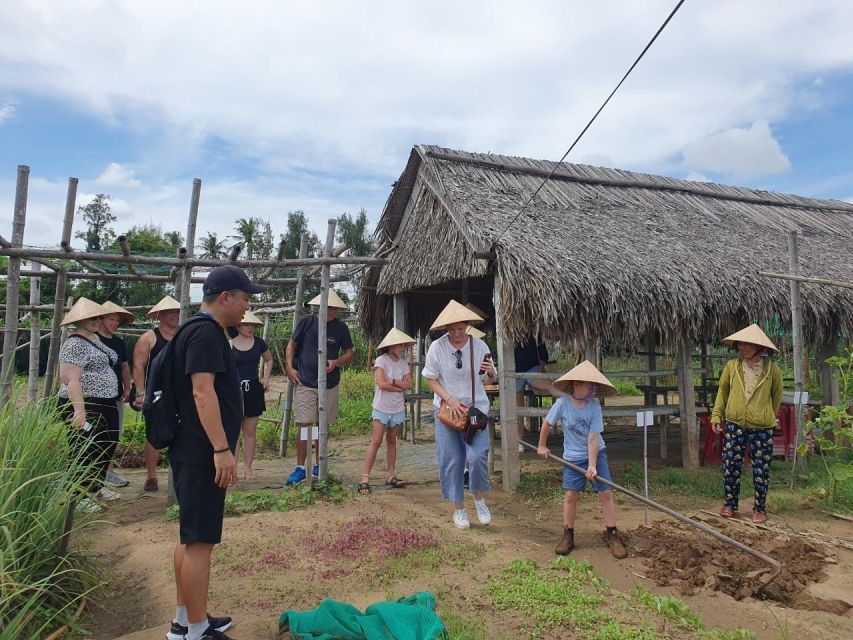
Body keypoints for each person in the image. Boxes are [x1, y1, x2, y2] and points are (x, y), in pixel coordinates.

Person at [165, 265, 264, 640]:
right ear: (225, 297)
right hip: (202, 451)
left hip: (191, 448)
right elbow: (202, 392)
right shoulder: (206, 334)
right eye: (244, 299)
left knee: (190, 538)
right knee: (200, 542)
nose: (246, 308)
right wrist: (222, 449)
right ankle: (196, 630)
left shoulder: (193, 330)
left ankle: (185, 619)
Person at [537, 360, 628, 559]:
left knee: (606, 493)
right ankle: (568, 534)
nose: (591, 390)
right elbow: (547, 424)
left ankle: (612, 533)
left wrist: (593, 466)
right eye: (588, 386)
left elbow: (593, 438)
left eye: (593, 386)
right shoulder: (562, 404)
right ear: (576, 385)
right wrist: (542, 445)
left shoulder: (594, 407)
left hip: (597, 454)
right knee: (571, 495)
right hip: (572, 457)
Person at [423, 300, 497, 530]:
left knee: (477, 457)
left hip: (474, 411)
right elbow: (431, 379)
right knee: (452, 460)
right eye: (452, 329)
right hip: (447, 411)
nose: (456, 334)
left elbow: (488, 380)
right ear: (446, 329)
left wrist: (492, 373)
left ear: (467, 326)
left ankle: (479, 499)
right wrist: (450, 399)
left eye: (460, 328)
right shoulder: (437, 347)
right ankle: (459, 509)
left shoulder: (480, 347)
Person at [711, 324, 783, 524]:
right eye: (740, 344)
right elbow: (722, 392)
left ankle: (759, 508)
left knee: (761, 467)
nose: (742, 347)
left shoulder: (772, 370)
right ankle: (729, 504)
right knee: (730, 465)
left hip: (761, 427)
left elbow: (776, 396)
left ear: (759, 347)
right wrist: (717, 415)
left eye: (746, 344)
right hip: (734, 424)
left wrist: (767, 414)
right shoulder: (732, 367)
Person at [57, 298, 121, 513]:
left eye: (98, 317)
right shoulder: (75, 342)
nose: (96, 321)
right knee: (84, 448)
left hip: (105, 401)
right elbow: (71, 379)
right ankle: (78, 494)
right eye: (92, 317)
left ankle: (95, 486)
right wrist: (79, 411)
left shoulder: (94, 338)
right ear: (80, 319)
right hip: (85, 402)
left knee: (107, 442)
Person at [284, 289, 354, 485]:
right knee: (306, 423)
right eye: (328, 307)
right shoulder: (306, 322)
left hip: (330, 384)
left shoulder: (341, 328)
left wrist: (337, 362)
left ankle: (318, 465)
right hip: (306, 382)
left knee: (321, 425)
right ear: (319, 306)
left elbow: (349, 352)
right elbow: (292, 345)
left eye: (334, 308)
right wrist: (290, 368)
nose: (331, 311)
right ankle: (300, 467)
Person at [132, 295, 181, 492]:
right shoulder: (149, 338)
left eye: (178, 312)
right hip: (156, 393)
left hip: (180, 393)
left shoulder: (184, 335)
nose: (175, 316)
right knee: (155, 434)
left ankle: (178, 475)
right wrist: (141, 393)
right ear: (160, 315)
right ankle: (151, 477)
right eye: (171, 313)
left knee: (181, 434)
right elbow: (138, 365)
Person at [359, 328, 415, 494]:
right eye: (399, 344)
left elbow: (409, 385)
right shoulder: (381, 361)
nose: (402, 346)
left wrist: (393, 381)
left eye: (403, 344)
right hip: (382, 407)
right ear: (390, 346)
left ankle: (391, 475)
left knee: (392, 440)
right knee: (376, 441)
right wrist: (399, 385)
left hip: (397, 408)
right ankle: (365, 478)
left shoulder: (404, 362)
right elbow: (381, 384)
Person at [230, 309, 272, 480]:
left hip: (253, 388)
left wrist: (266, 379)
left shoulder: (259, 343)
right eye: (246, 324)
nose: (250, 328)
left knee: (250, 431)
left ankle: (248, 468)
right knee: (233, 432)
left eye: (252, 325)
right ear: (238, 325)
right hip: (233, 390)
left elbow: (269, 360)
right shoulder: (229, 343)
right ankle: (232, 468)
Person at [98, 300, 134, 489]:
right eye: (111, 319)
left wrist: (127, 388)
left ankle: (108, 471)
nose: (114, 323)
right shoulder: (92, 339)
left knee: (113, 435)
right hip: (95, 397)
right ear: (101, 319)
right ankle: (99, 473)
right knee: (97, 435)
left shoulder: (118, 342)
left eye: (117, 321)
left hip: (115, 395)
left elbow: (124, 367)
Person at [515, 337, 550, 452]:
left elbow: (543, 352)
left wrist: (541, 368)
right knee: (517, 409)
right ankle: (520, 441)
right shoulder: (508, 331)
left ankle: (569, 399)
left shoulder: (534, 331)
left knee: (547, 388)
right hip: (514, 372)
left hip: (532, 369)